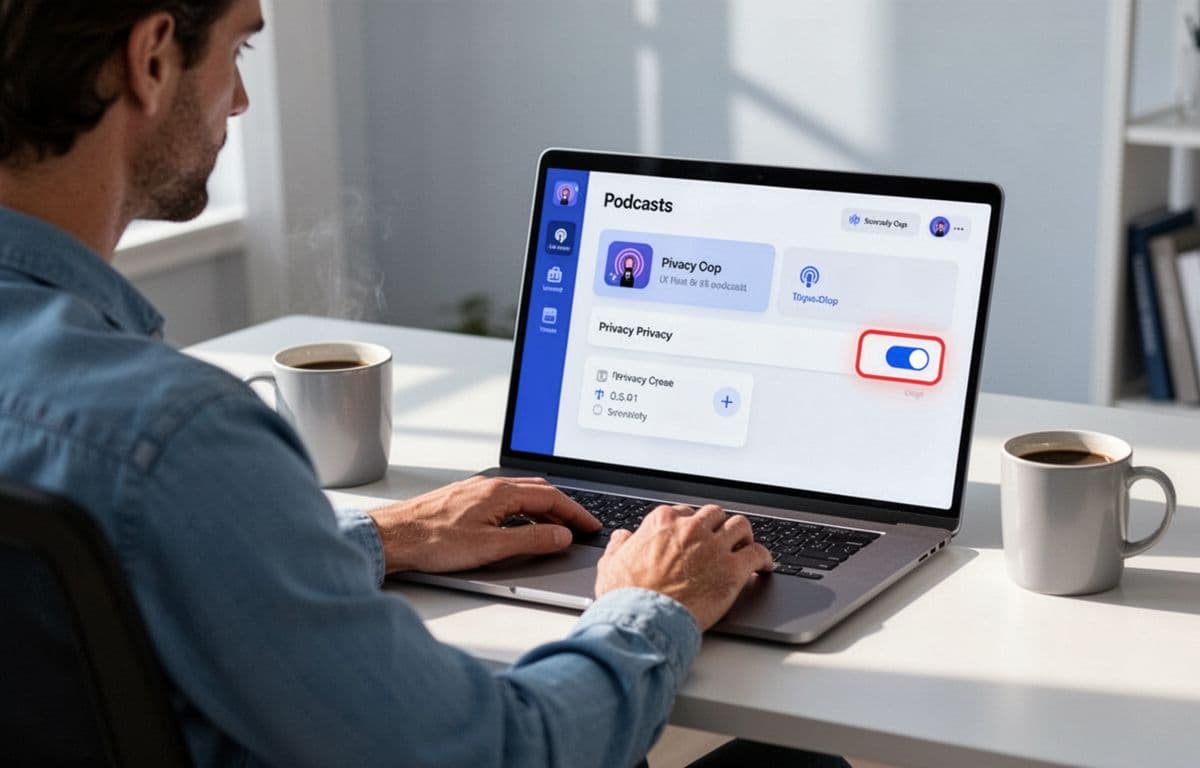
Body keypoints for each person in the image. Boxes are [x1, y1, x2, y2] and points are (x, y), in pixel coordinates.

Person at [0, 2, 851, 766]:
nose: (242, 101)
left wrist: (383, 536)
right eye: (240, 49)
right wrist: (653, 602)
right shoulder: (178, 435)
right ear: (150, 58)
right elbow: (501, 751)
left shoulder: (117, 433)